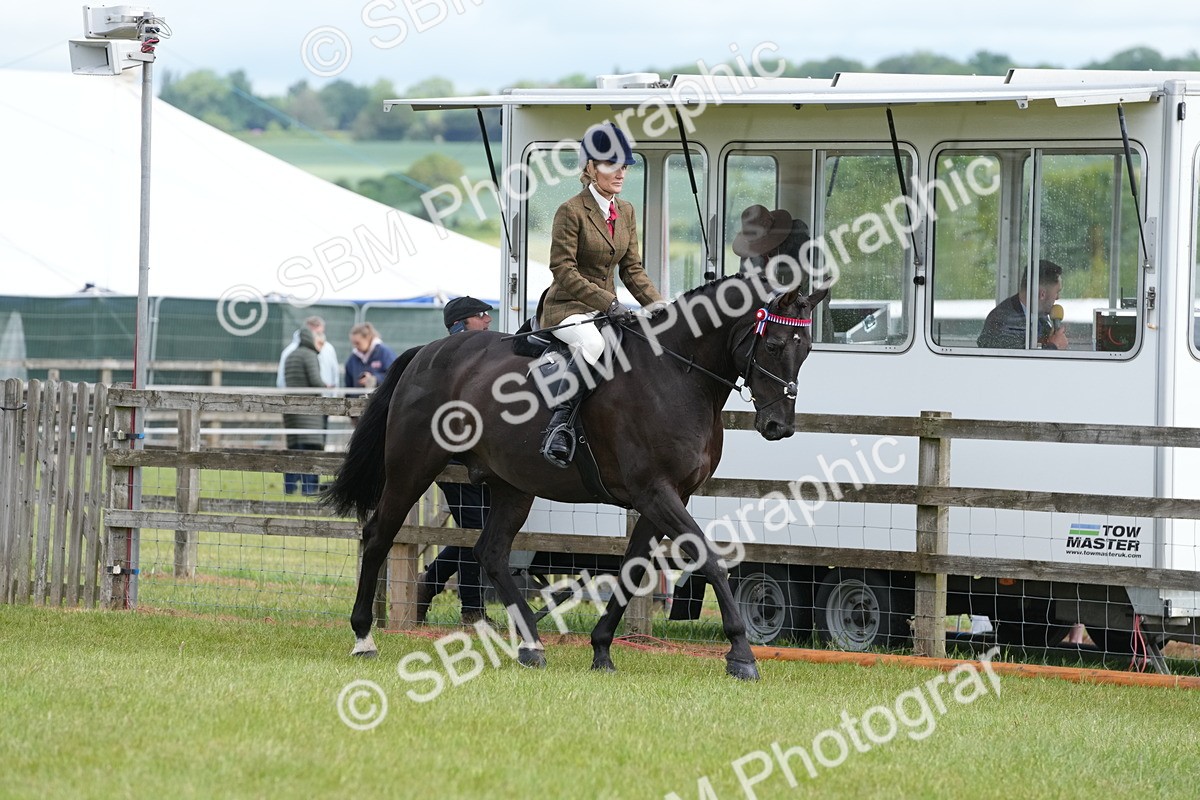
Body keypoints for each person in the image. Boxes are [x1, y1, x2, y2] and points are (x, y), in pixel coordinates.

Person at [537, 122, 667, 468]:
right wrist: (608, 302)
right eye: (612, 165)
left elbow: (632, 269)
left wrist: (659, 305)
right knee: (593, 345)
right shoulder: (571, 211)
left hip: (606, 311)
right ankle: (560, 426)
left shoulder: (626, 211)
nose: (621, 173)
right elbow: (563, 270)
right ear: (591, 168)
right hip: (568, 308)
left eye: (624, 166)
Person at [415, 295, 496, 627]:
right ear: (461, 324)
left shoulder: (479, 356)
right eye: (481, 315)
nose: (488, 320)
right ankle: (471, 610)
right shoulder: (446, 359)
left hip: (482, 458)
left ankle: (429, 585)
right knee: (475, 532)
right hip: (453, 460)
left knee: (479, 531)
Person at [977, 260, 1069, 350]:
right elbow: (1013, 358)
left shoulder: (1040, 317)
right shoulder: (1003, 320)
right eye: (1057, 292)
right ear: (1042, 294)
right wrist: (1053, 347)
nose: (1058, 298)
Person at [282, 326, 327, 495]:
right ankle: (310, 488)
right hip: (308, 412)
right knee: (311, 449)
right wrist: (326, 387)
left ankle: (290, 488)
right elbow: (315, 381)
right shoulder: (309, 355)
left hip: (292, 410)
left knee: (294, 449)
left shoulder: (291, 355)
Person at [277, 315, 339, 395]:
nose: (319, 337)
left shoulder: (329, 349)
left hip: (296, 398)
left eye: (320, 333)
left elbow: (334, 374)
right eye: (316, 334)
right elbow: (316, 380)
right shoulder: (291, 351)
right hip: (311, 398)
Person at [344, 322, 396, 392]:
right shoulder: (353, 358)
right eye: (353, 343)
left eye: (357, 343)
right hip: (357, 397)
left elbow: (394, 376)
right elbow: (349, 384)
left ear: (367, 338)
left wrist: (375, 379)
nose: (355, 346)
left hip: (379, 396)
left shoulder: (385, 353)